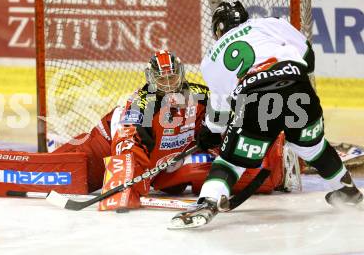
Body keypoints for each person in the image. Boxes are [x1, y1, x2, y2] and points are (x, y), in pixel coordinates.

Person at [171, 1, 363, 228]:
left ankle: (207, 202)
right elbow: (308, 59)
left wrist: (211, 131)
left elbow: (221, 106)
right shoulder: (269, 24)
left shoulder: (211, 57)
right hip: (298, 89)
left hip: (255, 98)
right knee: (314, 147)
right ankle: (347, 191)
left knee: (231, 161)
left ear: (217, 29)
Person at [55, 50, 287, 210]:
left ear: (182, 74)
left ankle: (273, 166)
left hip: (167, 163)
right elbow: (126, 144)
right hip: (105, 143)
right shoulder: (141, 103)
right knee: (63, 170)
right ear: (150, 78)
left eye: (172, 77)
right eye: (161, 79)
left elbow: (229, 111)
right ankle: (43, 159)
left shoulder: (200, 94)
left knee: (205, 168)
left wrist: (215, 130)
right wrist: (124, 187)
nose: (168, 84)